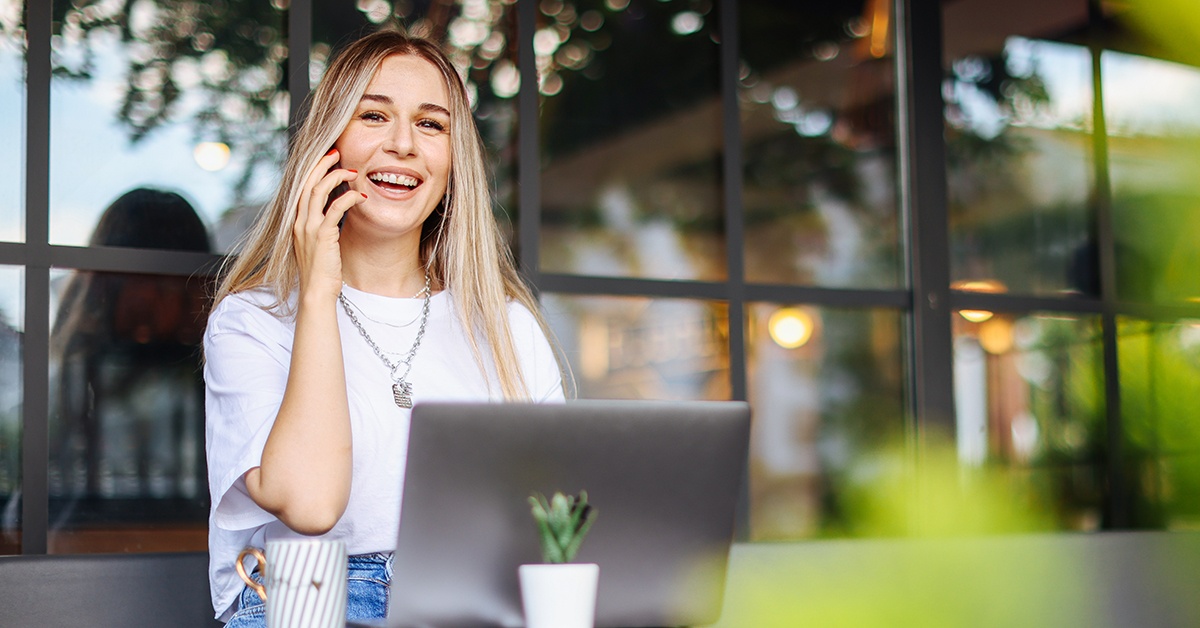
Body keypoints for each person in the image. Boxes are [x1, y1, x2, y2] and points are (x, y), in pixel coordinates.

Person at [203, 30, 567, 625]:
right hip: (309, 597)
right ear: (329, 146)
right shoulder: (252, 321)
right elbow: (312, 504)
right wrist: (319, 289)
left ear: (453, 162)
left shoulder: (507, 328)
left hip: (470, 598)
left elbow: (553, 528)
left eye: (431, 125)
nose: (403, 145)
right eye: (373, 115)